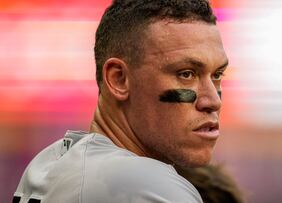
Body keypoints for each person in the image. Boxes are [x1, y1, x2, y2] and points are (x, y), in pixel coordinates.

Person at [13, 0, 228, 202]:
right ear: (119, 79)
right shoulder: (145, 185)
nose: (212, 101)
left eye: (217, 75)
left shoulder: (47, 162)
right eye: (186, 74)